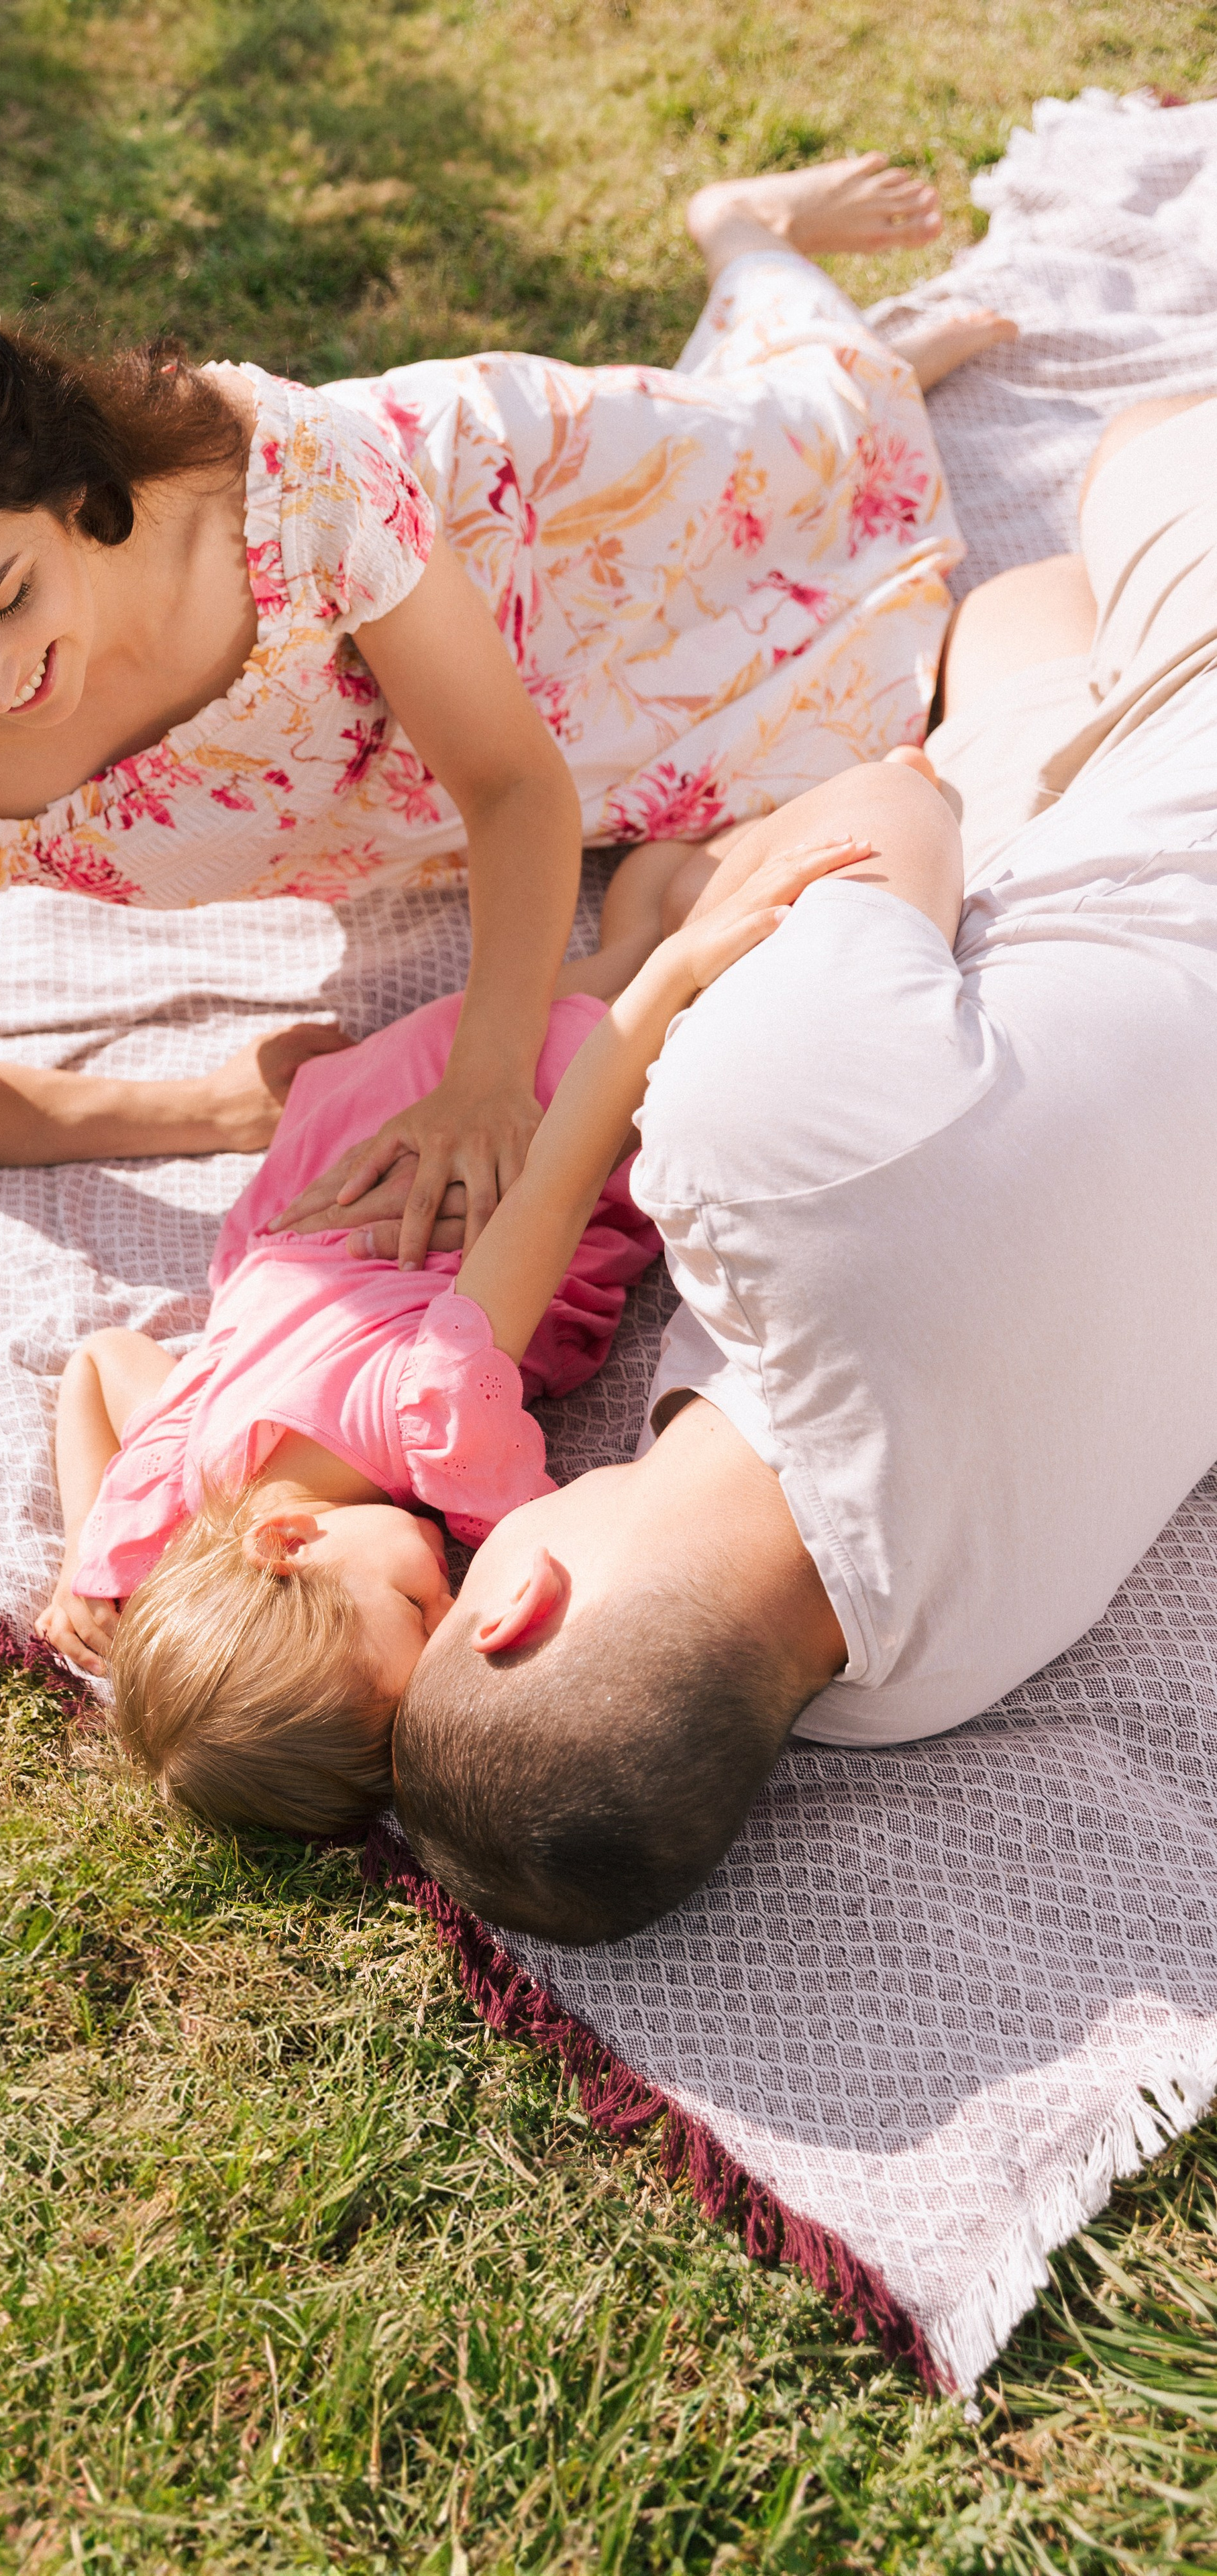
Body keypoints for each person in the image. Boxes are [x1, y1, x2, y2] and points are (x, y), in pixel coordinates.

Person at [0, 157, 1010, 1266]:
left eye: (3, 597)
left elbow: (508, 783)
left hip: (524, 535)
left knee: (841, 459)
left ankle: (743, 237)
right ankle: (837, 358)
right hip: (439, 776)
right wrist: (213, 1108)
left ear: (68, 483)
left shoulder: (283, 483)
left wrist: (486, 1078)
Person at [389, 394, 1217, 1949]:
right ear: (512, 1606)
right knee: (1132, 459)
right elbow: (886, 805)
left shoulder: (912, 1686)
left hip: (1127, 929)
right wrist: (683, 976)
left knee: (1011, 639)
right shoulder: (762, 1169)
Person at [32, 833, 863, 1833]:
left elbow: (556, 1183)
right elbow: (99, 1364)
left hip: (522, 1117)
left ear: (289, 1540)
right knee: (618, 968)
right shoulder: (190, 1490)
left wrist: (675, 983)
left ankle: (673, 931)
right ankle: (638, 932)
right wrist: (90, 1550)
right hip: (362, 1118)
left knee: (720, 1011)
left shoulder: (433, 1414)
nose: (446, 1608)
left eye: (418, 1610)